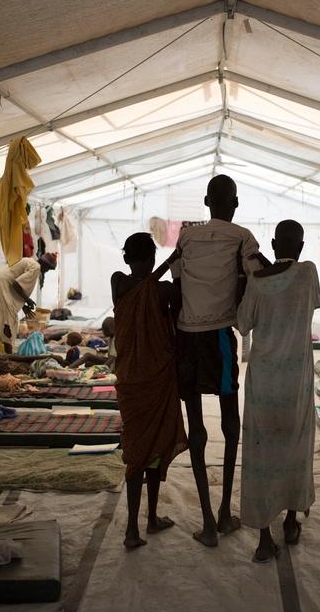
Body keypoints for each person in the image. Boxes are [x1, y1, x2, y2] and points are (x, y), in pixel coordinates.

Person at [171, 174, 270, 546]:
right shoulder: (243, 237)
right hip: (218, 339)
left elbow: (177, 284)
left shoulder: (187, 236)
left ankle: (208, 523)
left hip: (186, 337)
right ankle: (225, 512)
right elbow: (259, 273)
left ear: (206, 201)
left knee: (197, 429)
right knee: (231, 424)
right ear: (235, 203)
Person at [237, 220, 320, 562]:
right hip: (296, 383)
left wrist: (250, 277)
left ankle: (263, 538)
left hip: (263, 382)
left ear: (272, 244)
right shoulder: (308, 274)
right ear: (301, 247)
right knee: (295, 449)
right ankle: (289, 522)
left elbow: (242, 324)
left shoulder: (257, 283)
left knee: (260, 456)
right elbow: (304, 293)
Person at [111, 233, 188, 549]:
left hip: (131, 381)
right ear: (153, 260)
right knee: (152, 449)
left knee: (139, 451)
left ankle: (138, 525)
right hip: (156, 381)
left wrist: (169, 264)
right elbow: (177, 303)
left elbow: (145, 288)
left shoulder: (120, 283)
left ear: (127, 259)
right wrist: (175, 263)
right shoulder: (159, 289)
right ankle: (144, 521)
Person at [0, 257, 40, 353]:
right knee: (8, 322)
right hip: (2, 285)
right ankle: (7, 355)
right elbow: (16, 284)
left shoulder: (30, 261)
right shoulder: (36, 267)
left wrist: (23, 305)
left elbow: (14, 283)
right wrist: (27, 300)